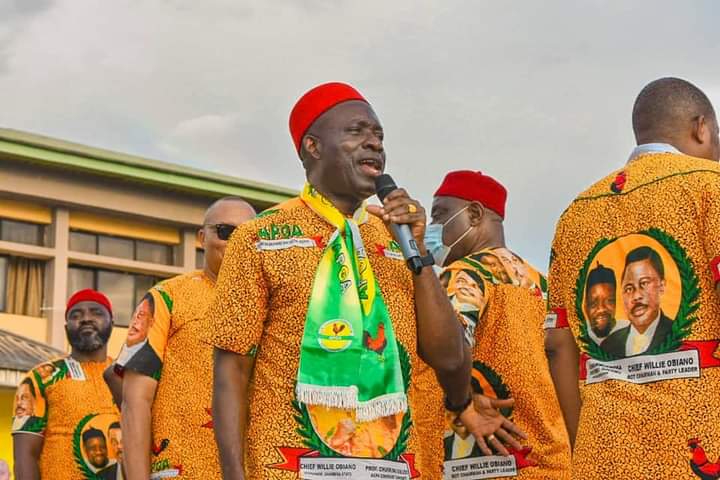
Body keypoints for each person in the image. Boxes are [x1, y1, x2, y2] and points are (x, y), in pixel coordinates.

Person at [206, 83, 523, 480]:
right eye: (357, 132)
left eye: (379, 136)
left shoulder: (396, 239)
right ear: (313, 147)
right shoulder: (261, 238)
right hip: (292, 466)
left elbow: (449, 358)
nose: (373, 143)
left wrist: (419, 253)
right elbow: (230, 371)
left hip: (391, 467)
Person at [545, 77, 720, 479]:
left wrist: (587, 446)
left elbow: (558, 344)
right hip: (702, 449)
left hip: (602, 457)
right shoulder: (710, 187)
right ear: (701, 128)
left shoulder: (577, 212)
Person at [426, 170, 571, 478]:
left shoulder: (462, 276)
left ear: (475, 214)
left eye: (440, 216)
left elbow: (447, 354)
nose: (432, 229)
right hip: (547, 456)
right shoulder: (541, 283)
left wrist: (460, 398)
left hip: (484, 460)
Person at [104, 197, 255, 480]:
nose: (237, 241)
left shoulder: (271, 304)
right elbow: (135, 401)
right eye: (225, 231)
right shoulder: (166, 298)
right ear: (202, 238)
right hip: (181, 470)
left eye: (248, 234)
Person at [12, 289, 121, 480]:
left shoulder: (127, 376)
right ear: (66, 327)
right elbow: (25, 456)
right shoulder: (40, 378)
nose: (86, 318)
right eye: (76, 315)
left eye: (96, 312)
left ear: (112, 324)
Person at [601, 247, 673, 357]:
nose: (636, 296)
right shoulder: (607, 346)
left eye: (644, 283)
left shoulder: (680, 334)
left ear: (661, 286)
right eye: (629, 289)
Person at [584, 263, 624, 342]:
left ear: (616, 303)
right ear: (586, 307)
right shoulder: (578, 333)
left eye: (609, 301)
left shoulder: (629, 331)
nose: (601, 309)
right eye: (593, 303)